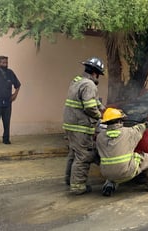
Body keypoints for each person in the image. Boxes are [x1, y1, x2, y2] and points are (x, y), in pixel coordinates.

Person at [96, 108, 148, 197]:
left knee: (113, 167)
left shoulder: (100, 137)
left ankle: (110, 184)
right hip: (126, 172)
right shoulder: (129, 132)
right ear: (119, 121)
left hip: (106, 173)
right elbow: (139, 128)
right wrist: (147, 124)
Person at [63, 57, 105, 195]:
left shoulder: (77, 81)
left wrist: (104, 108)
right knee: (83, 156)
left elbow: (92, 101)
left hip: (70, 125)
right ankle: (78, 186)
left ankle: (69, 179)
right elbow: (89, 107)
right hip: (80, 126)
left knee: (73, 153)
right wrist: (100, 116)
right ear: (95, 73)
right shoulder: (89, 85)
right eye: (99, 75)